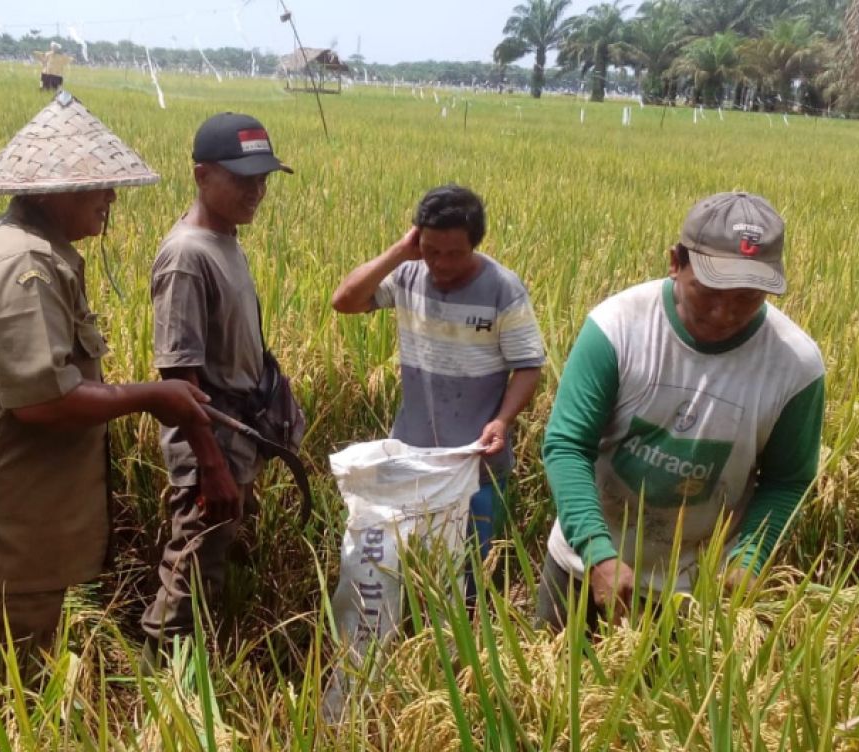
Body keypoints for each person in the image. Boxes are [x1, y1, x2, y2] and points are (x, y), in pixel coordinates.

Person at [0, 92, 212, 679]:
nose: (111, 199)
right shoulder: (24, 266)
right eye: (100, 186)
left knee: (8, 715)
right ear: (57, 191)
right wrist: (153, 396)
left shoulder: (40, 253)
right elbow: (44, 401)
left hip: (16, 537)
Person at [539, 191, 825, 631]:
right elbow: (567, 445)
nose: (726, 312)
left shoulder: (796, 366)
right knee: (556, 692)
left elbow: (788, 478)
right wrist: (598, 554)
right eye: (710, 290)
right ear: (675, 261)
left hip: (696, 590)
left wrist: (750, 556)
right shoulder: (617, 326)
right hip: (583, 564)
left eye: (748, 297)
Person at [331, 184, 547, 581]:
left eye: (454, 253)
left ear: (475, 246)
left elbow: (529, 365)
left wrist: (502, 421)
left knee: (468, 574)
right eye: (431, 250)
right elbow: (344, 301)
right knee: (404, 572)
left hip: (476, 464)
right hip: (412, 461)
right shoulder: (408, 275)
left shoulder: (503, 289)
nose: (441, 263)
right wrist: (400, 252)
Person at [141, 112, 295, 653]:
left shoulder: (225, 239)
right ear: (203, 176)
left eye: (263, 178)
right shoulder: (188, 256)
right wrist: (210, 466)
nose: (257, 190)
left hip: (235, 441)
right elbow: (177, 372)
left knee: (211, 565)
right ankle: (161, 687)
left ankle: (201, 671)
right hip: (211, 449)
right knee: (189, 574)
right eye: (242, 178)